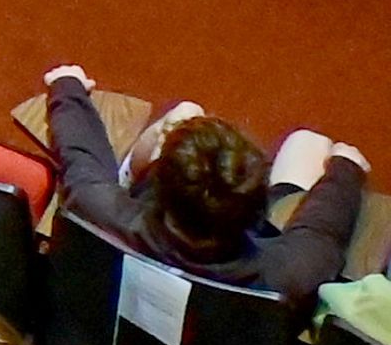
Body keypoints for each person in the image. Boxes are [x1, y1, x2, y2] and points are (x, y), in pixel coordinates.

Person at [38, 67, 367, 305]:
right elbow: (322, 235)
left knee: (185, 113)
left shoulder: (95, 212)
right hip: (248, 248)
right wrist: (346, 169)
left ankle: (132, 175)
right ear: (257, 208)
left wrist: (68, 86)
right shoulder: (288, 275)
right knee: (309, 141)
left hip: (133, 244)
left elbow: (81, 158)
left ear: (159, 183)